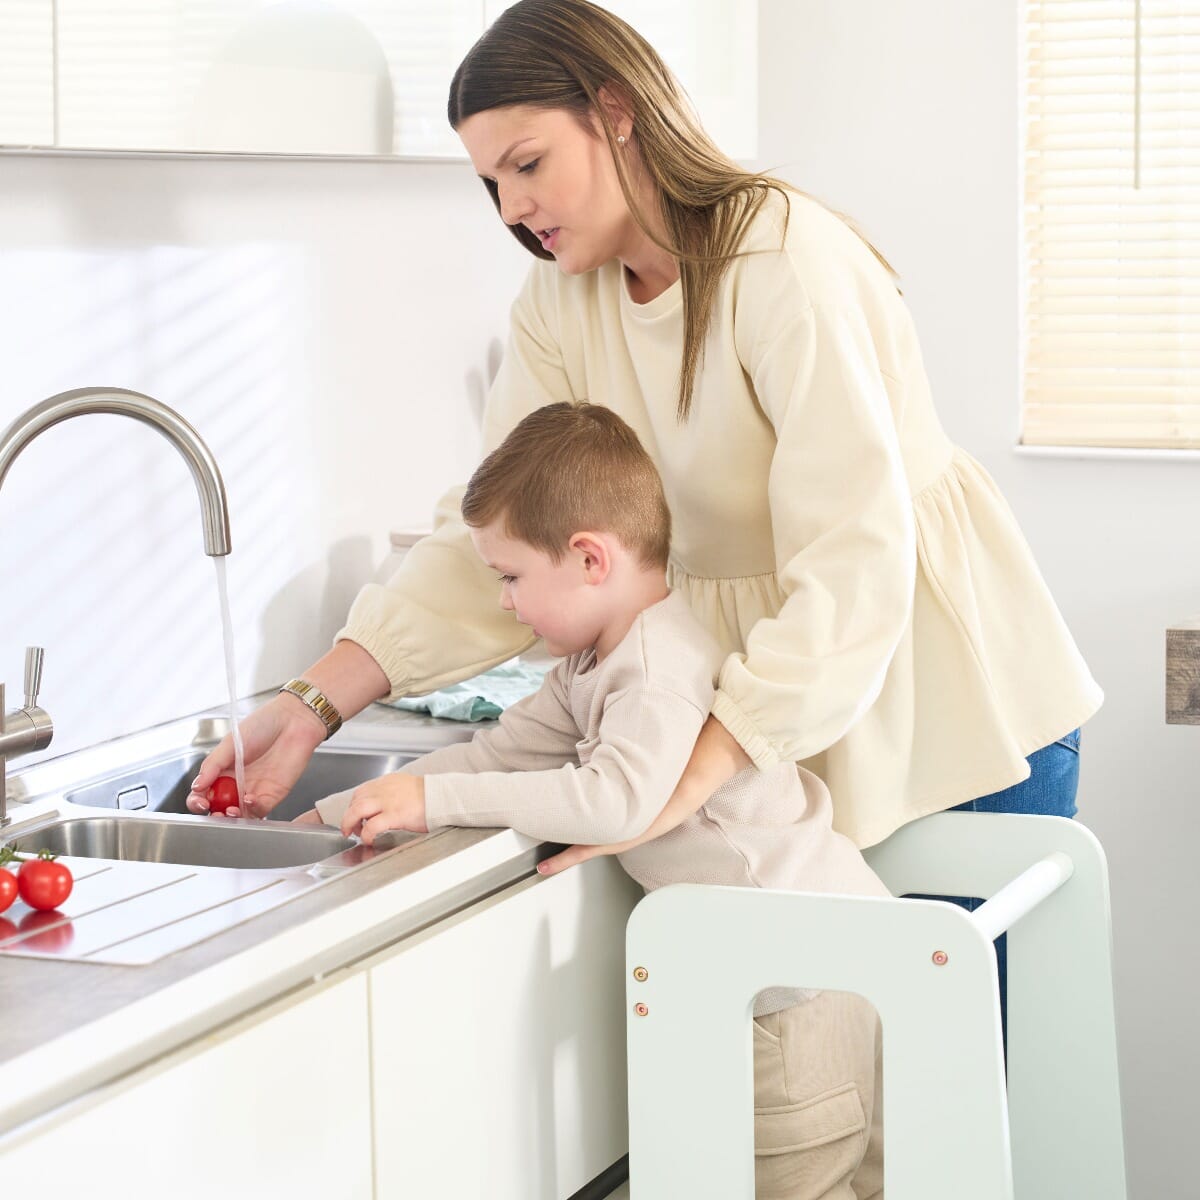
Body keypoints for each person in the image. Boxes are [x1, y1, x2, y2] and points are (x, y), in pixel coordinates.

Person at [189, 0, 1098, 889]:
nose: (512, 206)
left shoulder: (782, 262)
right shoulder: (560, 300)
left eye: (528, 163)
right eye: (491, 182)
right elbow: (500, 543)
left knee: (953, 1029)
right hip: (772, 725)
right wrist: (314, 705)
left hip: (940, 711)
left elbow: (856, 559)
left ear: (617, 111)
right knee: (854, 1027)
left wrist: (677, 789)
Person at [302, 401, 890, 1199]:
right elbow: (499, 755)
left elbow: (615, 802)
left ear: (588, 558)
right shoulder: (592, 666)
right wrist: (345, 809)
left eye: (510, 577)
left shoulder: (654, 671)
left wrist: (431, 804)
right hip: (806, 966)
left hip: (801, 990)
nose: (505, 602)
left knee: (800, 1181)